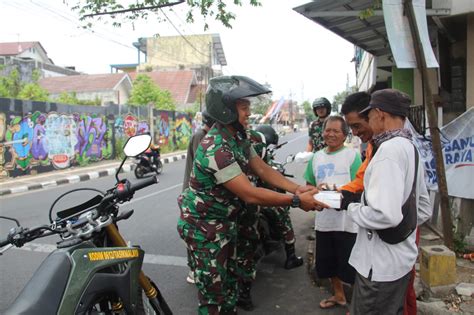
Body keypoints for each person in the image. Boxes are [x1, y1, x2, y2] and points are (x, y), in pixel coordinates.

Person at [177, 75, 327, 315]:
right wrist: (298, 201)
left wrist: (296, 188)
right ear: (225, 110)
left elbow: (262, 169)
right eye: (244, 107)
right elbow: (250, 194)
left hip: (225, 222)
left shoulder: (238, 137)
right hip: (204, 228)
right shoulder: (216, 148)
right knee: (213, 297)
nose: (249, 113)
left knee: (229, 287)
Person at [342, 89, 431, 315]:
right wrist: (402, 234)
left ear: (380, 114)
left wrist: (351, 208)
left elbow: (385, 215)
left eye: (369, 116)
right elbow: (422, 208)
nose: (368, 121)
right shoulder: (409, 146)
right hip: (400, 262)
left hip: (379, 268)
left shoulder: (388, 152)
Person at [303, 116, 362, 309]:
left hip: (347, 221)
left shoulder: (352, 156)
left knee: (350, 264)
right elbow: (309, 185)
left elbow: (359, 187)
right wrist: (315, 192)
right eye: (328, 130)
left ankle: (358, 303)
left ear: (345, 134)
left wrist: (338, 192)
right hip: (325, 220)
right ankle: (339, 295)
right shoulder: (316, 157)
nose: (331, 134)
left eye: (336, 131)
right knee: (329, 262)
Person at [254, 124, 304, 270]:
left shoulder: (247, 152)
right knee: (282, 215)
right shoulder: (260, 156)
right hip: (261, 197)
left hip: (247, 196)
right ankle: (291, 257)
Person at [182, 110, 215, 284]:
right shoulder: (200, 137)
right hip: (192, 193)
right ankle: (193, 270)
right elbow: (203, 165)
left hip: (201, 195)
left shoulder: (208, 136)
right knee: (193, 233)